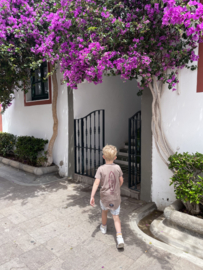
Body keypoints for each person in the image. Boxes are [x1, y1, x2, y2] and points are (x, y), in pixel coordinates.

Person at [90, 144, 124, 248]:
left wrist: (92, 196)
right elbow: (121, 180)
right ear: (115, 158)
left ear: (103, 157)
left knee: (104, 212)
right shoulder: (117, 167)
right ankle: (119, 237)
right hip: (115, 198)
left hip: (104, 197)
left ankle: (103, 227)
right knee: (116, 217)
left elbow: (96, 183)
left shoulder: (100, 169)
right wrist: (118, 186)